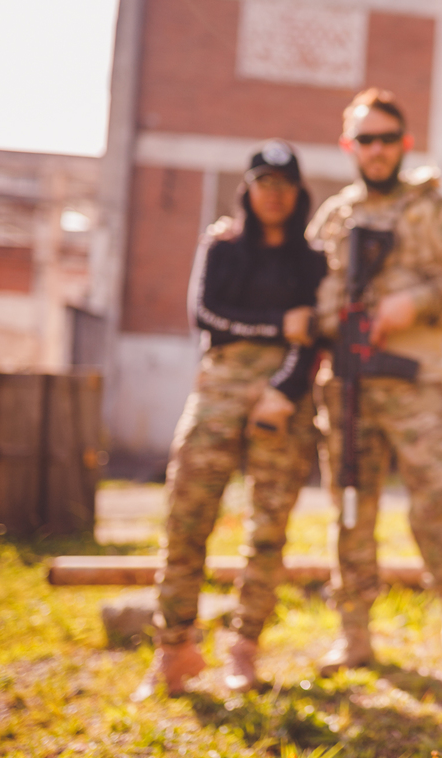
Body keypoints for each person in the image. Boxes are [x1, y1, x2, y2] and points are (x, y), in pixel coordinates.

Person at [308, 88, 442, 679]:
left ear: (405, 143)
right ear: (349, 146)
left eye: (388, 138)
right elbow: (305, 297)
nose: (378, 149)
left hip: (414, 384)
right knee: (349, 510)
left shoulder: (437, 210)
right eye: (366, 139)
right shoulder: (334, 219)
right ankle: (354, 633)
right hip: (347, 389)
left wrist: (414, 303)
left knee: (440, 501)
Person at [135, 139, 327, 699]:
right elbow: (205, 314)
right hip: (216, 394)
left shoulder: (312, 260)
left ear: (298, 194)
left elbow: (310, 336)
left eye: (284, 185)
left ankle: (244, 649)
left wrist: (284, 393)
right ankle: (173, 648)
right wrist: (276, 324)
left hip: (281, 402)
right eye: (264, 182)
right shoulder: (220, 245)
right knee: (186, 519)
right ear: (248, 189)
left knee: (267, 532)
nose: (274, 194)